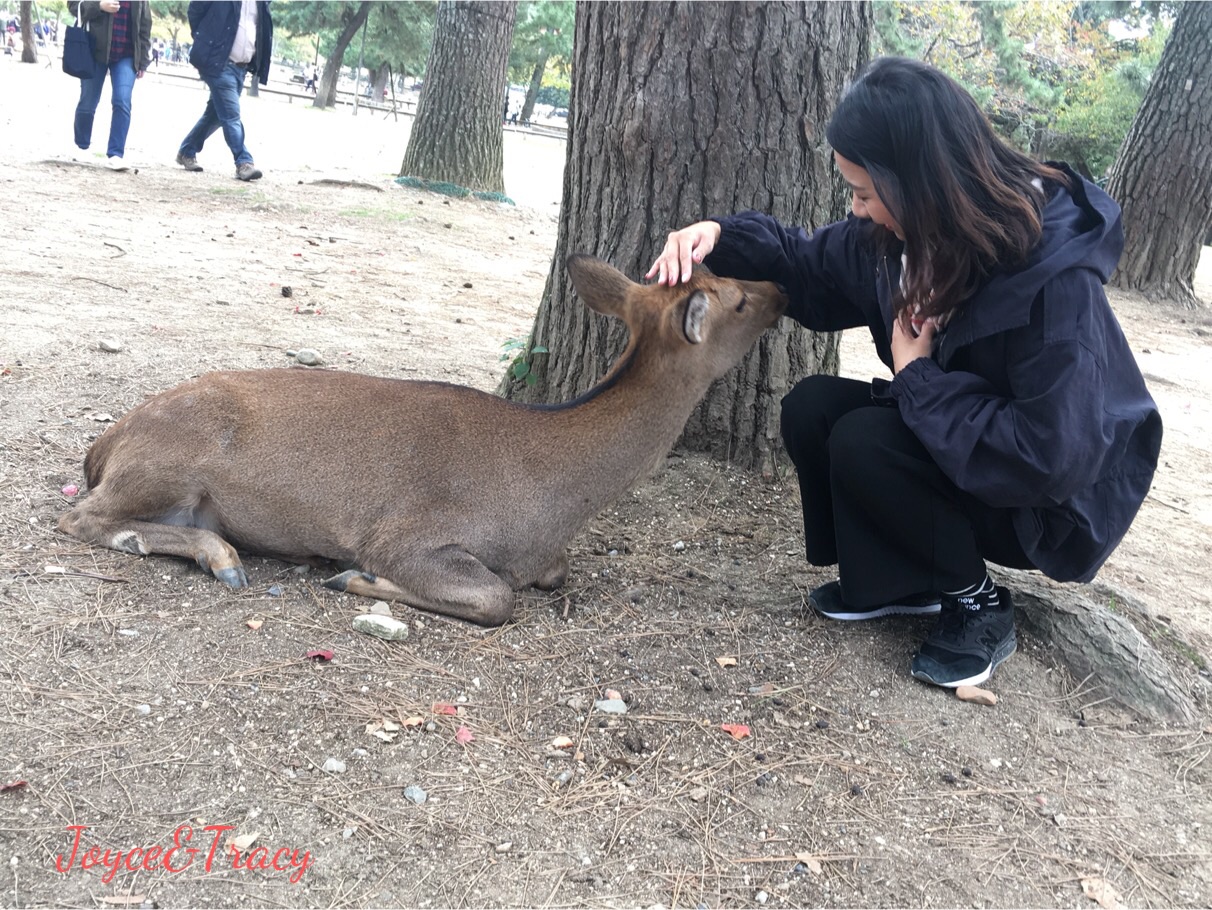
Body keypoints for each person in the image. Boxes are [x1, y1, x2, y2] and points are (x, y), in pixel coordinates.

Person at [647, 56, 1162, 691]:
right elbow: (807, 266)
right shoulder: (901, 238)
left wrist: (918, 378)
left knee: (866, 442)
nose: (857, 211)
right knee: (812, 409)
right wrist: (718, 236)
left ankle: (978, 607)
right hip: (971, 446)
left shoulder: (1053, 282)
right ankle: (901, 582)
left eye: (864, 193)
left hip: (1045, 501)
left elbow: (1050, 455)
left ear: (918, 183)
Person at [175, 0, 273, 181]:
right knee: (231, 114)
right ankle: (243, 162)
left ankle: (187, 151)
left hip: (241, 67)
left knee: (216, 115)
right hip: (218, 63)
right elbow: (195, 10)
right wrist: (205, 41)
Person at [68, 1, 153, 171]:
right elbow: (73, 5)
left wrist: (142, 60)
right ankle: (82, 145)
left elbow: (145, 25)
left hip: (127, 54)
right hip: (94, 50)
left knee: (122, 101)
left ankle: (116, 154)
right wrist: (99, 6)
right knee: (88, 101)